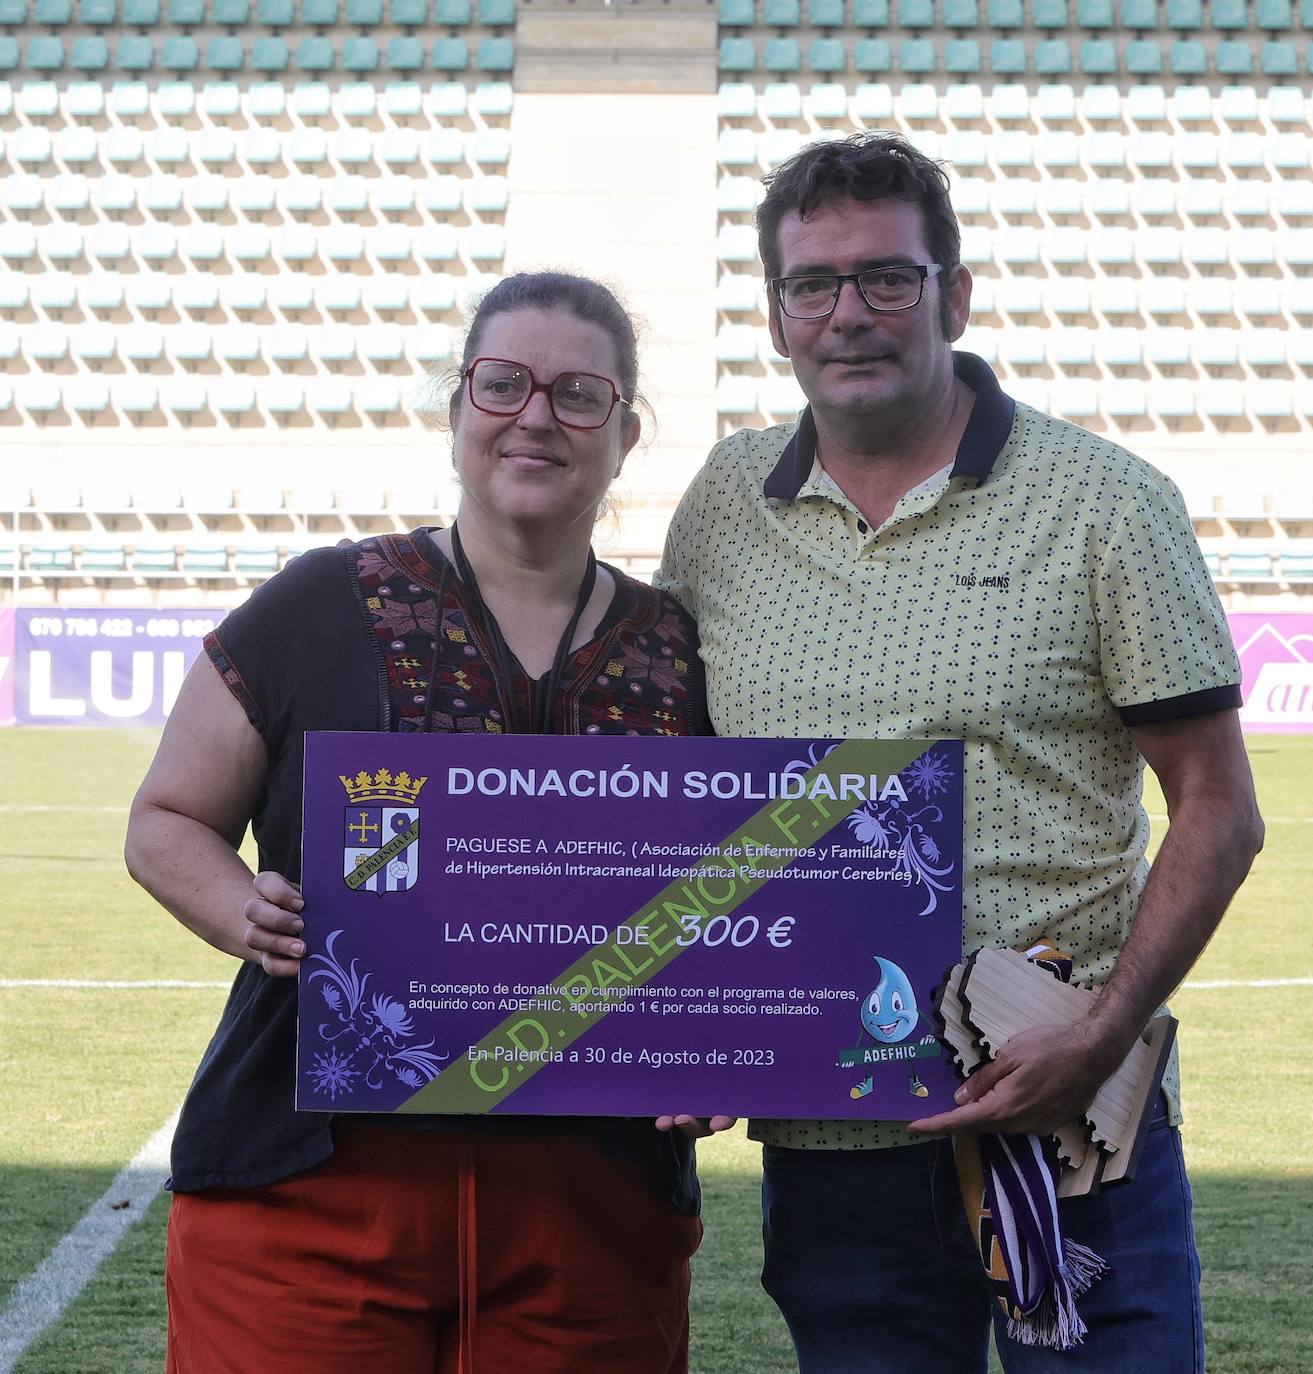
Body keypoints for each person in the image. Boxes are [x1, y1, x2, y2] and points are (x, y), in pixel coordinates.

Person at [657, 132, 1264, 1373]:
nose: (848, 315)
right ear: (775, 316)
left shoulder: (1104, 501)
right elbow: (691, 796)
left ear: (954, 294)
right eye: (811, 286)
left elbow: (1216, 809)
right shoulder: (722, 504)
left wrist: (1096, 1031)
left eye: (887, 278)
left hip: (1072, 1118)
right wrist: (689, 1021)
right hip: (827, 1143)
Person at [125, 271, 731, 1374]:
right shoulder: (316, 603)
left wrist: (717, 1043)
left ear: (625, 432)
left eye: (578, 393)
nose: (535, 415)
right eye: (502, 384)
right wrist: (235, 910)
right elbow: (165, 819)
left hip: (592, 1212)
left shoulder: (686, 651)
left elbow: (741, 905)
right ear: (457, 408)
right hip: (306, 1189)